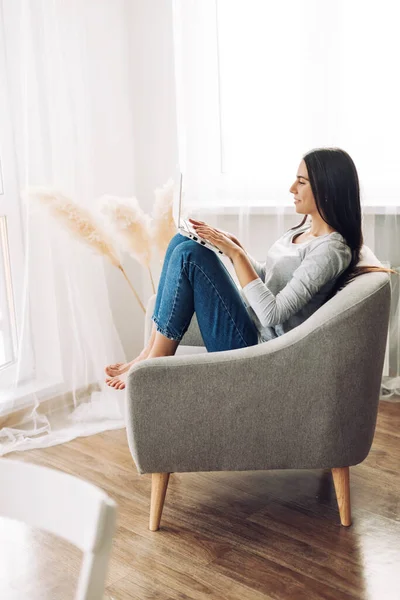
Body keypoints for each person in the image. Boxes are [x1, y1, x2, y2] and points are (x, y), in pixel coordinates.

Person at [105, 147, 397, 390]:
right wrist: (235, 249)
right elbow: (271, 281)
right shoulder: (305, 230)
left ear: (327, 189)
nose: (291, 189)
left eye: (301, 182)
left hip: (258, 347)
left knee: (190, 256)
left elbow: (272, 314)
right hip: (248, 322)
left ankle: (157, 359)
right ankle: (149, 352)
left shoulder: (331, 250)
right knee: (183, 242)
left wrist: (237, 256)